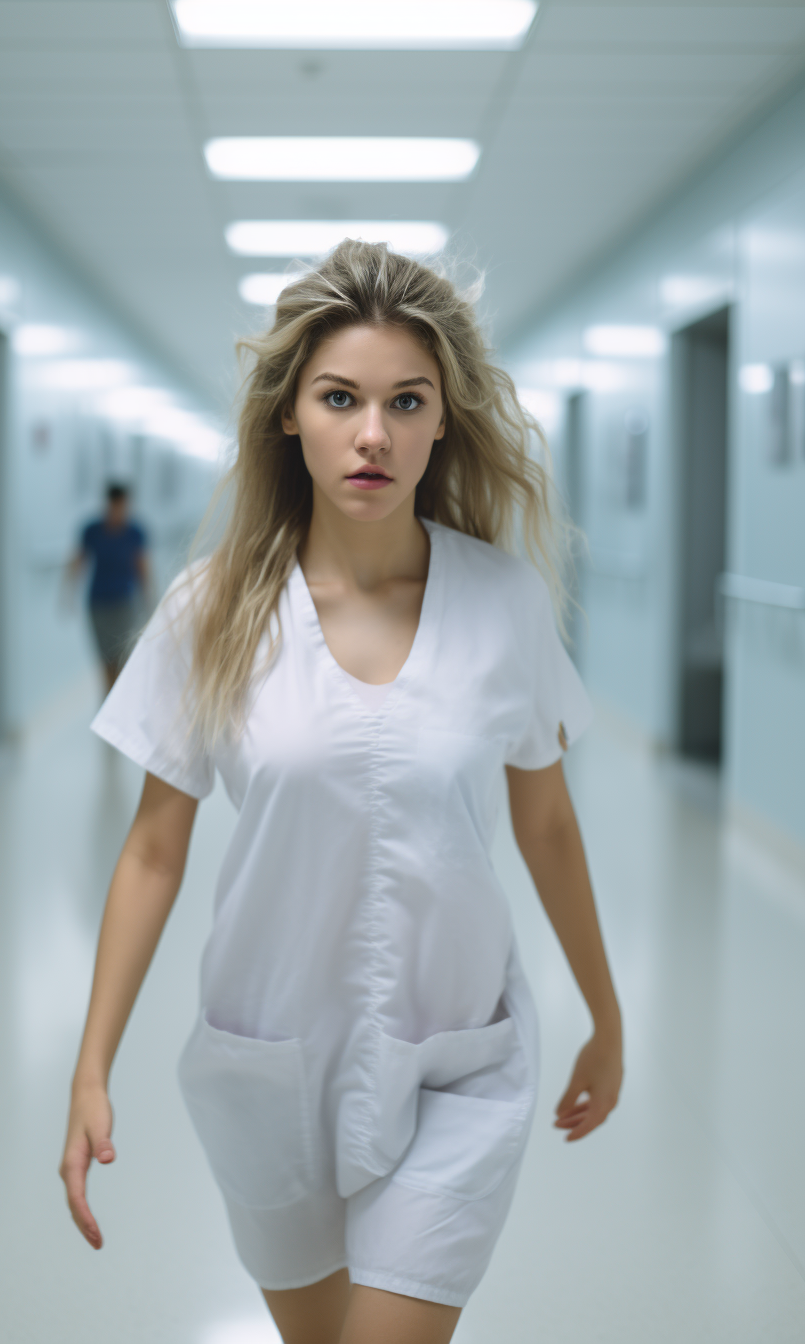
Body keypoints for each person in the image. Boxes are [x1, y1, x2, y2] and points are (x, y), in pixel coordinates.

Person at [59, 241, 623, 1344]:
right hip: (271, 1062)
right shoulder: (209, 608)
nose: (373, 433)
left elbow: (545, 820)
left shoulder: (500, 601)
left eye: (405, 401)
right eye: (340, 398)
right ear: (290, 416)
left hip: (460, 1054)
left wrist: (604, 1015)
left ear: (441, 421)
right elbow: (152, 851)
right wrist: (91, 1068)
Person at [65, 483, 152, 693]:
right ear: (108, 504)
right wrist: (67, 593)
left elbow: (142, 567)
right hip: (98, 604)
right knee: (105, 659)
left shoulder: (135, 532)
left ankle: (118, 704)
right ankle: (107, 702)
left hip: (124, 604)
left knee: (123, 656)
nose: (118, 511)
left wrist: (149, 599)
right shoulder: (92, 530)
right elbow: (79, 561)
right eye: (115, 506)